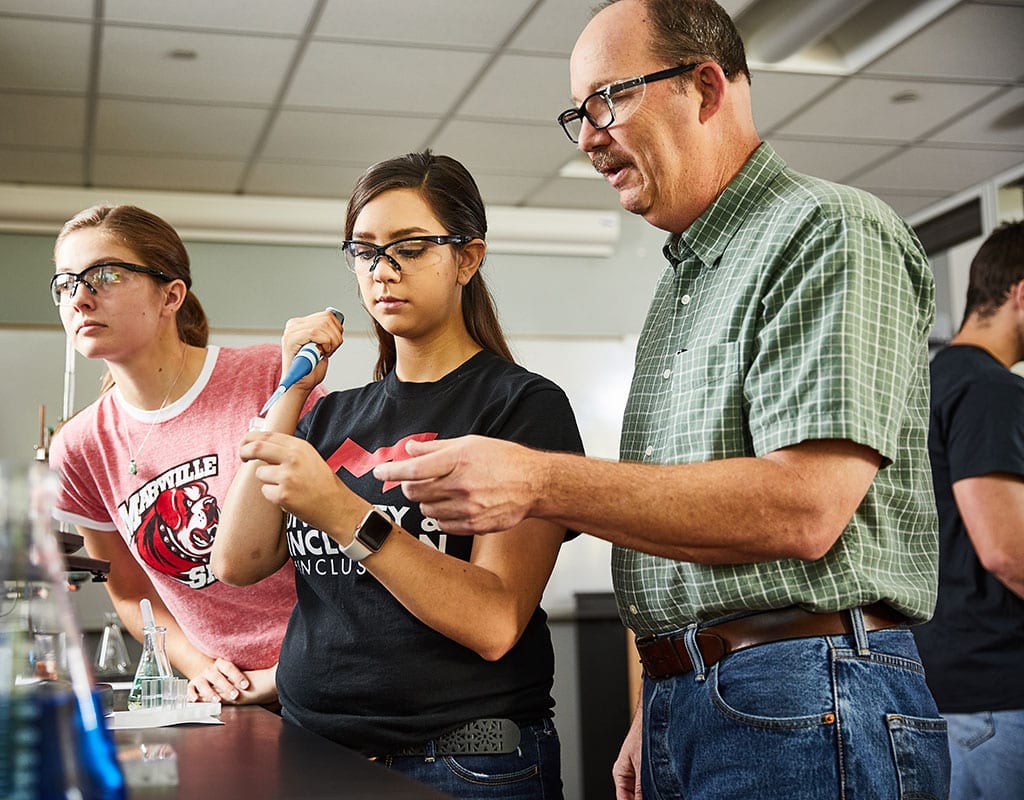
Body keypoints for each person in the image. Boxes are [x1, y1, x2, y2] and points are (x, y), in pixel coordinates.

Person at [373, 2, 950, 798]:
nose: (586, 136)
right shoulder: (684, 282)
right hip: (701, 696)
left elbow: (806, 508)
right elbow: (682, 533)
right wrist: (662, 695)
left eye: (608, 99)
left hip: (806, 692)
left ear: (705, 86)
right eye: (577, 113)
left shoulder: (826, 229)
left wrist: (539, 482)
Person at [210, 151, 583, 799]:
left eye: (411, 247)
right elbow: (236, 560)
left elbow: (494, 622)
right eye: (365, 251)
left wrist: (342, 510)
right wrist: (291, 386)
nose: (384, 270)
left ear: (468, 258)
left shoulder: (520, 406)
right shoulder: (332, 420)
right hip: (315, 754)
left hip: (462, 762)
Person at [47, 204, 322, 706]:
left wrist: (293, 673)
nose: (80, 299)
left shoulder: (268, 377)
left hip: (328, 677)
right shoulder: (80, 445)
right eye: (66, 283)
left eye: (104, 275)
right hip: (227, 699)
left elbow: (346, 535)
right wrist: (202, 667)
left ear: (171, 295)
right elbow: (129, 590)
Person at [913, 220, 1024, 800]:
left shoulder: (928, 385)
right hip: (997, 700)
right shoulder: (991, 390)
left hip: (944, 688)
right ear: (1021, 293)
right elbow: (1007, 550)